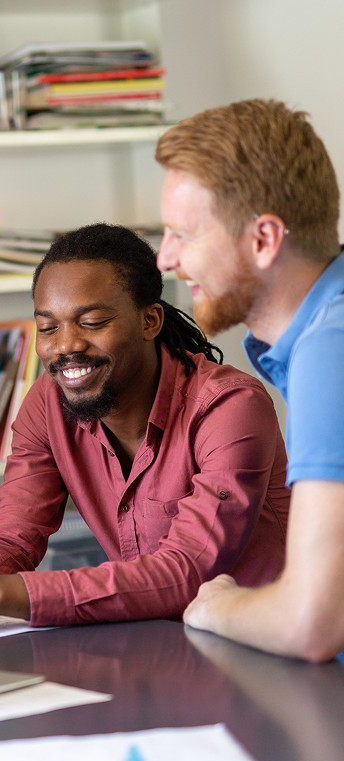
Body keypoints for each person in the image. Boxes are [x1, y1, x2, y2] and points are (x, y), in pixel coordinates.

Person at [0, 223, 290, 644]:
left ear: (150, 320)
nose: (65, 345)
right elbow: (12, 538)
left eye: (92, 322)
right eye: (47, 328)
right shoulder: (47, 403)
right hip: (155, 644)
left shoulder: (230, 407)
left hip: (264, 646)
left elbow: (188, 571)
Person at [156, 98, 344, 662]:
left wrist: (217, 603)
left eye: (181, 235)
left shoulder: (329, 347)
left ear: (263, 239)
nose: (165, 258)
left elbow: (312, 624)